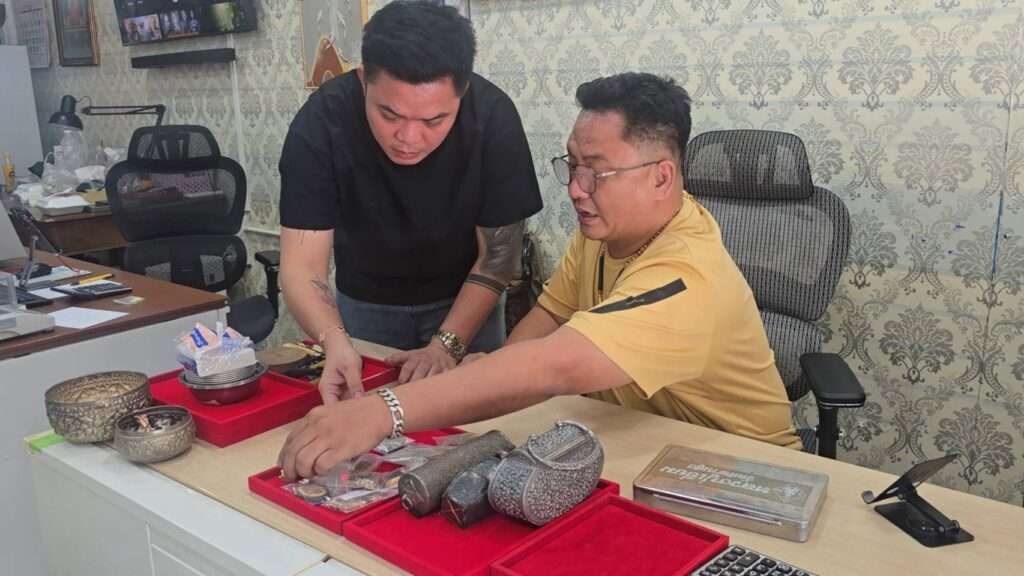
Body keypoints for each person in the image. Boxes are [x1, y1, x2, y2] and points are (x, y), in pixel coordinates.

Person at [279, 72, 801, 481]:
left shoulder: (687, 276)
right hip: (638, 442)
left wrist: (381, 412)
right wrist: (490, 366)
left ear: (662, 176)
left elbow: (556, 365)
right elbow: (551, 313)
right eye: (571, 165)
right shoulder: (606, 233)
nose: (575, 189)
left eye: (595, 171)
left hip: (739, 468)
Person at [278, 1, 542, 403]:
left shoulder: (493, 116)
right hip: (364, 301)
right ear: (364, 79)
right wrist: (333, 340)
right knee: (365, 414)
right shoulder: (322, 122)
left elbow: (498, 257)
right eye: (390, 115)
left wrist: (447, 345)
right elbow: (302, 266)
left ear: (463, 91)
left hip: (466, 300)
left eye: (434, 121)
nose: (408, 139)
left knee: (469, 418)